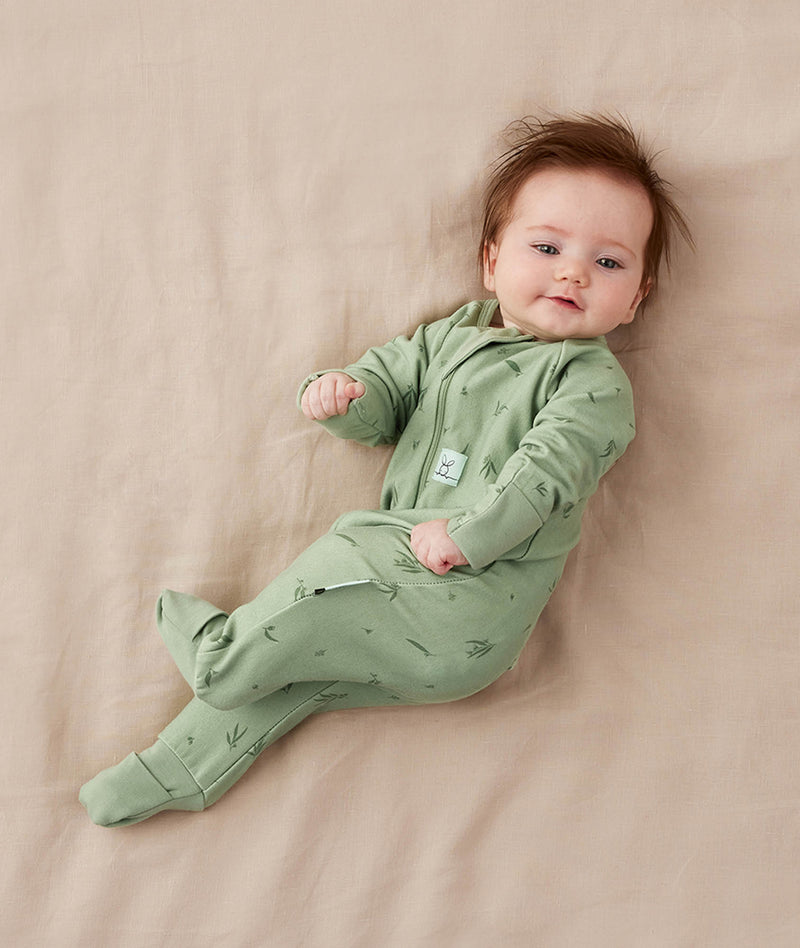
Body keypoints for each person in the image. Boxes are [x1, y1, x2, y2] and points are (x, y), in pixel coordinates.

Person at [80, 114, 690, 827]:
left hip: (465, 595)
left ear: (637, 297)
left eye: (609, 263)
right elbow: (389, 396)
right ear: (491, 261)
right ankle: (180, 768)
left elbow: (547, 473)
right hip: (409, 602)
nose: (572, 271)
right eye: (548, 246)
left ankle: (223, 656)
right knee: (293, 678)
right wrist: (349, 397)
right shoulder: (451, 335)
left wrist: (470, 535)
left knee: (347, 549)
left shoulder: (591, 386)